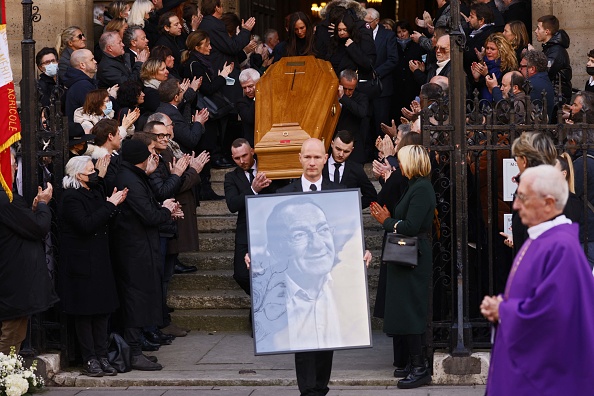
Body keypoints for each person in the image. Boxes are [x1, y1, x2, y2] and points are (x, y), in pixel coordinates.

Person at [263, 137, 371, 396]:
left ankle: (320, 388)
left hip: (330, 282)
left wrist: (361, 252)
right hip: (296, 284)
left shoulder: (340, 192)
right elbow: (269, 239)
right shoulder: (282, 195)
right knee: (304, 342)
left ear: (326, 158)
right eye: (307, 157)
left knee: (326, 341)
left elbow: (349, 233)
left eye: (317, 157)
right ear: (299, 159)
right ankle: (308, 391)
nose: (312, 162)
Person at [481, 164, 594, 396]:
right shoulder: (544, 240)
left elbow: (555, 314)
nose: (515, 205)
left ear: (549, 203)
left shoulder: (561, 247)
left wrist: (503, 310)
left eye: (523, 197)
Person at [369, 144, 436, 389]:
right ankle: (412, 363)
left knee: (411, 310)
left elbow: (410, 226)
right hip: (405, 253)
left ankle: (420, 368)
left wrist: (387, 221)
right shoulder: (413, 186)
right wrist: (390, 218)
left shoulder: (422, 188)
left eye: (401, 162)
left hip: (414, 255)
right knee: (403, 308)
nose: (398, 166)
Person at [110, 139, 180, 371]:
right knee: (135, 300)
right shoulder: (129, 179)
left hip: (139, 246)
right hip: (133, 249)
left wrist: (162, 206)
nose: (153, 154)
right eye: (149, 151)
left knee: (140, 297)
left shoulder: (133, 175)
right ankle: (133, 352)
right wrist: (165, 210)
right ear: (141, 156)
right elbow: (148, 214)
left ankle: (136, 349)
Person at [58, 156, 127, 377]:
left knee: (102, 311)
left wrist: (114, 205)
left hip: (100, 259)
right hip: (81, 263)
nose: (95, 174)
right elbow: (86, 224)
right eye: (90, 171)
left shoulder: (95, 191)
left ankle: (103, 355)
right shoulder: (70, 198)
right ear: (79, 175)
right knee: (85, 313)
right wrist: (110, 204)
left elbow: (105, 218)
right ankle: (89, 358)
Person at [0, 151, 58, 355]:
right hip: (14, 275)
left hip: (12, 271)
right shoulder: (6, 198)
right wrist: (43, 204)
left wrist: (32, 210)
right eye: (13, 163)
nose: (16, 168)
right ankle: (5, 378)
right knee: (12, 333)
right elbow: (38, 228)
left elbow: (21, 225)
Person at [224, 138, 277, 297]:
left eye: (244, 156)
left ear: (252, 151)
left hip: (271, 228)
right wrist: (253, 190)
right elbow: (232, 205)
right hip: (246, 230)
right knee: (241, 274)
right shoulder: (231, 177)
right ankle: (261, 298)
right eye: (236, 158)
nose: (241, 161)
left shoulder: (268, 167)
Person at [364, 8, 398, 142]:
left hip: (382, 87)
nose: (366, 25)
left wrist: (376, 73)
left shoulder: (388, 35)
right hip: (364, 87)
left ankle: (381, 153)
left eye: (368, 22)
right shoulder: (360, 34)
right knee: (365, 123)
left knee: (381, 122)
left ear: (376, 21)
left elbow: (393, 59)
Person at [322, 130, 377, 209]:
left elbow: (371, 195)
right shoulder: (320, 165)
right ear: (332, 144)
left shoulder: (356, 169)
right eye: (338, 149)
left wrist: (351, 207)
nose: (341, 154)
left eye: (346, 151)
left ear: (352, 150)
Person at [535, 15, 572, 104]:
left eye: (538, 28)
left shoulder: (556, 51)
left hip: (557, 98)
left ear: (547, 31)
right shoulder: (549, 48)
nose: (536, 31)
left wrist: (535, 55)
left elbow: (546, 71)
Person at [470, 33, 517, 101]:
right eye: (487, 48)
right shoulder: (483, 65)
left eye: (492, 49)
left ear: (501, 51)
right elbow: (475, 94)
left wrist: (486, 75)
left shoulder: (507, 67)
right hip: (482, 108)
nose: (488, 51)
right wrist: (476, 79)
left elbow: (500, 90)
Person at [335, 69, 368, 164]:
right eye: (344, 88)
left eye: (350, 89)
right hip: (334, 145)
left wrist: (343, 98)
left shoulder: (361, 98)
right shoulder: (330, 95)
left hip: (353, 147)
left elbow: (362, 112)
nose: (347, 92)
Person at [63, 49, 99, 122]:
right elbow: (94, 109)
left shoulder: (82, 82)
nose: (95, 62)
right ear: (82, 65)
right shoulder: (82, 86)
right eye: (92, 60)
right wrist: (110, 97)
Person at [519, 50, 555, 121]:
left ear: (532, 69)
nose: (519, 69)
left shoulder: (531, 85)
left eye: (522, 67)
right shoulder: (544, 78)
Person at [236, 68, 259, 146]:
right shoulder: (241, 102)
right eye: (244, 88)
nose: (247, 90)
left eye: (250, 86)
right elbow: (250, 119)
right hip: (253, 143)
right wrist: (257, 96)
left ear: (259, 83)